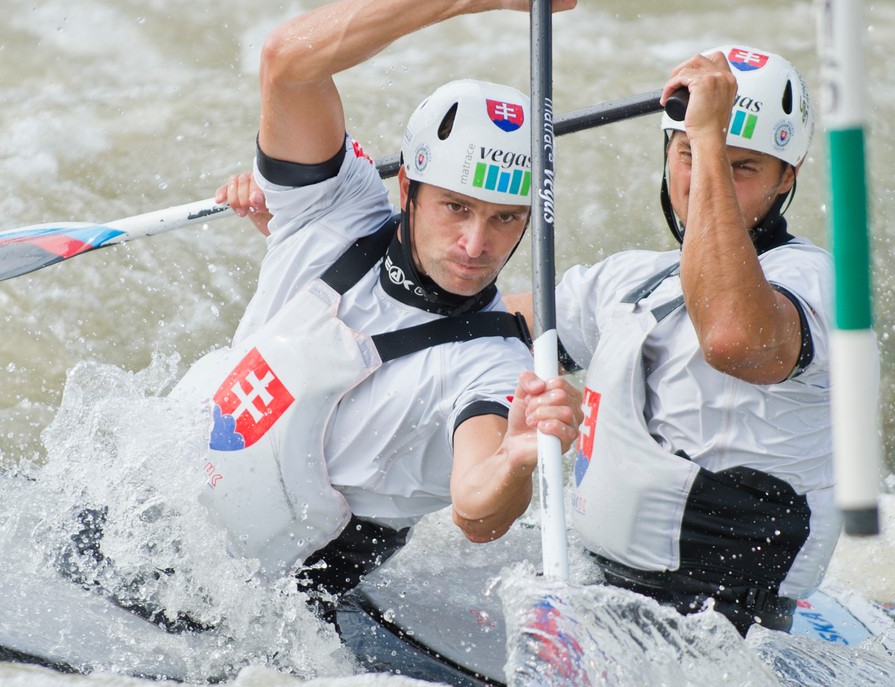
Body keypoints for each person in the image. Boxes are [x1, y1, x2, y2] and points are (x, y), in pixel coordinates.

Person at [169, 0, 582, 619]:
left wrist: (516, 459)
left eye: (505, 219)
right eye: (455, 208)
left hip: (276, 603)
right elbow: (288, 63)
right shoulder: (332, 209)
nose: (477, 245)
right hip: (160, 502)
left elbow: (476, 512)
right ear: (408, 187)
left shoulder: (491, 365)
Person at [507, 45, 840, 635]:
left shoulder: (812, 280)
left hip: (723, 619)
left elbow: (733, 337)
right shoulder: (636, 277)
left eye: (745, 168)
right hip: (600, 583)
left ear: (788, 176)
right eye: (686, 156)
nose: (706, 181)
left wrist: (708, 137)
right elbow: (489, 324)